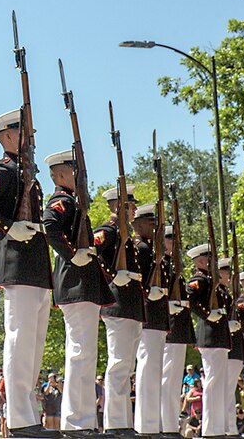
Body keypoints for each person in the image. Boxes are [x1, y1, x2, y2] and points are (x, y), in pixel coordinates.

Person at [0, 110, 53, 438]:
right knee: (21, 340)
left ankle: (29, 415)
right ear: (7, 137)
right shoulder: (3, 171)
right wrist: (7, 228)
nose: (31, 140)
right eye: (25, 133)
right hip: (18, 264)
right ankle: (21, 419)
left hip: (36, 265)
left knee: (34, 344)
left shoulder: (27, 174)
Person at [41, 149, 115, 436]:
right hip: (75, 282)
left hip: (82, 284)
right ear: (60, 174)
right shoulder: (62, 200)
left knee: (85, 355)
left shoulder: (74, 202)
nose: (79, 176)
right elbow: (49, 226)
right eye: (74, 171)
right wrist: (72, 255)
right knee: (79, 354)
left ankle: (83, 420)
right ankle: (75, 421)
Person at [93, 186, 145, 436]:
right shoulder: (109, 230)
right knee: (118, 365)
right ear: (117, 206)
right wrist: (114, 275)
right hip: (117, 304)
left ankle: (123, 422)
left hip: (131, 305)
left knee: (126, 368)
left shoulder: (126, 235)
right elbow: (94, 254)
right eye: (130, 205)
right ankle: (115, 424)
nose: (134, 209)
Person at [131, 203, 170, 436]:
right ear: (137, 225)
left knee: (154, 372)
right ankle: (146, 424)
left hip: (157, 316)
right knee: (147, 371)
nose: (153, 228)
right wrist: (148, 293)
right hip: (147, 315)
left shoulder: (154, 251)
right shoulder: (141, 248)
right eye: (150, 223)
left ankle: (153, 423)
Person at [186, 243, 231, 438]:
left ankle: (217, 427)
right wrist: (207, 315)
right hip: (210, 336)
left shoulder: (213, 283)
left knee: (219, 382)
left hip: (219, 337)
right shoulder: (200, 280)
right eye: (210, 259)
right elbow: (191, 299)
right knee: (213, 382)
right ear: (203, 261)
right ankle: (211, 429)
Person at [161, 224, 196, 438]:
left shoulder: (174, 267)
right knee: (167, 380)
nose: (174, 243)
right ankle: (166, 425)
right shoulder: (161, 264)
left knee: (173, 382)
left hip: (178, 329)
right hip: (169, 328)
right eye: (169, 238)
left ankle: (170, 423)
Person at [216, 258, 244, 438]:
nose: (229, 276)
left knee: (228, 390)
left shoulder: (227, 294)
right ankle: (224, 426)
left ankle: (229, 425)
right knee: (224, 389)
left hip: (233, 346)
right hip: (225, 345)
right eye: (226, 272)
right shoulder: (218, 292)